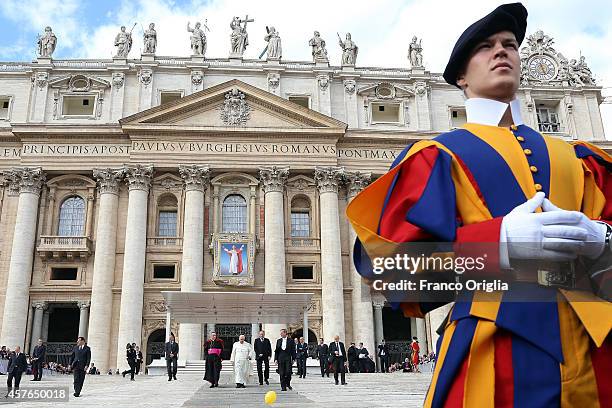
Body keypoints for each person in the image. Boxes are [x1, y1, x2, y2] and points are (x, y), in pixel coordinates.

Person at [347, 3, 612, 406]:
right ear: (461, 78)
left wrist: (603, 240)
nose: (502, 51)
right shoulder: (434, 156)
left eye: (509, 44)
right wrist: (496, 244)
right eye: (486, 46)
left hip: (598, 350)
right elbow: (388, 271)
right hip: (491, 351)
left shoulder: (583, 158)